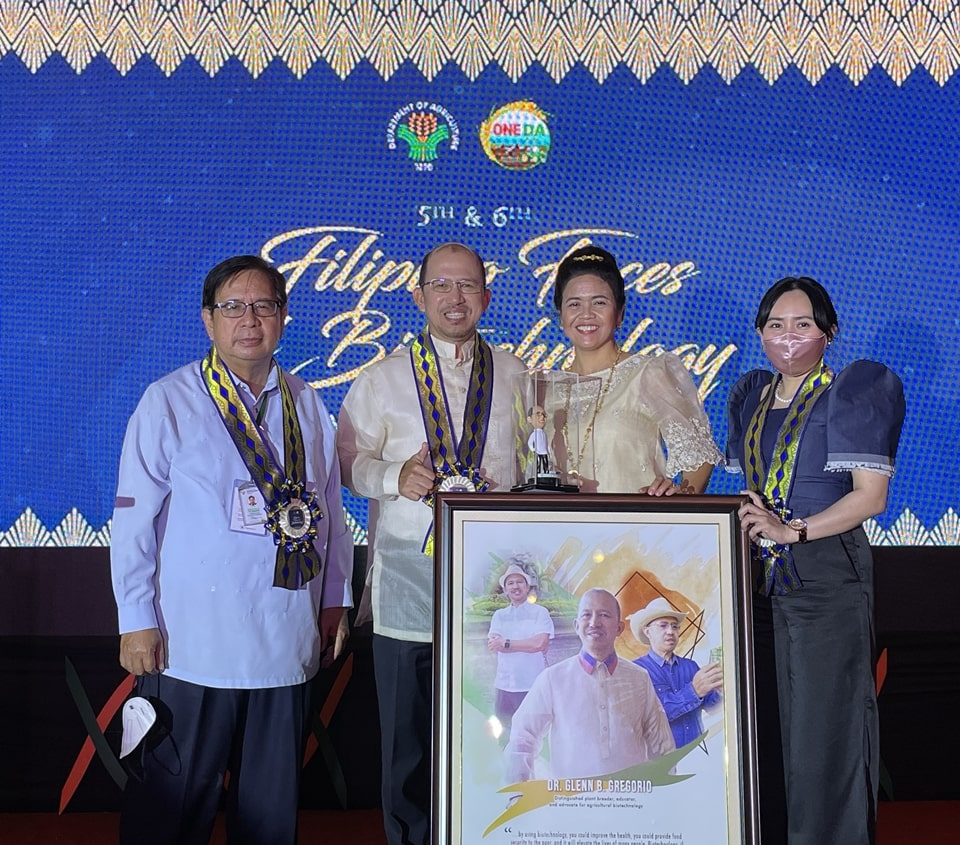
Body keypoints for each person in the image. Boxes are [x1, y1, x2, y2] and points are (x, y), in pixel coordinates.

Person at [110, 255, 354, 844]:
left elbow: (331, 516)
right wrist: (135, 618)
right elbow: (133, 521)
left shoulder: (308, 405)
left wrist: (334, 601)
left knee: (269, 821)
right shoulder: (168, 400)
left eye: (264, 305)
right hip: (190, 644)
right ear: (208, 320)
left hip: (283, 638)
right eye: (233, 307)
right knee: (171, 813)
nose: (250, 320)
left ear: (283, 316)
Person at [337, 242, 527, 845]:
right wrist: (395, 476)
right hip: (407, 589)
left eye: (468, 286)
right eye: (442, 286)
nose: (455, 298)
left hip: (493, 589)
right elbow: (345, 463)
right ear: (417, 297)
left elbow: (540, 460)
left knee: (490, 733)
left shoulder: (519, 375)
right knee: (407, 743)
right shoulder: (382, 378)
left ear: (487, 297)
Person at [727, 276, 905, 845]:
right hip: (756, 590)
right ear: (759, 333)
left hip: (827, 578)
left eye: (802, 324)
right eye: (775, 325)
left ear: (829, 332)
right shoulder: (751, 393)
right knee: (766, 737)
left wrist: (793, 530)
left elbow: (870, 497)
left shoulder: (853, 390)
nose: (787, 336)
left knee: (822, 736)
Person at [551, 245, 722, 494]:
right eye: (574, 304)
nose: (586, 314)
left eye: (599, 302)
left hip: (633, 528)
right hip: (559, 529)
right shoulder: (546, 389)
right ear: (561, 316)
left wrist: (683, 501)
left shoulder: (647, 373)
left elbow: (699, 457)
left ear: (619, 313)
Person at [503, 588, 674, 783]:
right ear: (576, 625)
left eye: (604, 615)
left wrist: (665, 798)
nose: (594, 622)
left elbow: (661, 745)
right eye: (587, 615)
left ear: (619, 628)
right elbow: (522, 739)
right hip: (572, 804)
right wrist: (517, 793)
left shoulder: (639, 679)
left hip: (629, 805)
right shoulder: (552, 679)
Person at [630, 598, 722, 750]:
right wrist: (693, 691)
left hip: (698, 757)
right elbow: (649, 718)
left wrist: (720, 687)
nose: (670, 632)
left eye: (675, 627)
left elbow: (713, 707)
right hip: (661, 763)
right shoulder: (636, 671)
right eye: (663, 626)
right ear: (648, 632)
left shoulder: (691, 666)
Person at [487, 558, 555, 735]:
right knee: (504, 734)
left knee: (534, 735)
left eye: (519, 582)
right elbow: (494, 644)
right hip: (504, 685)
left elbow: (540, 643)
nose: (515, 586)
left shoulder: (540, 612)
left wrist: (507, 643)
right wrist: (526, 643)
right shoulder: (499, 615)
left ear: (527, 587)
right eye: (510, 583)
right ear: (505, 589)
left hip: (532, 685)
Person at [526, 405, 550, 476]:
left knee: (546, 462)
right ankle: (538, 473)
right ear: (530, 419)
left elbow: (546, 443)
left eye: (544, 414)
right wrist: (533, 449)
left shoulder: (544, 434)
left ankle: (546, 472)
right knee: (538, 463)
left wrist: (548, 450)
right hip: (538, 451)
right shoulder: (534, 434)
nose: (542, 417)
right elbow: (530, 443)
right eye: (538, 414)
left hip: (544, 451)